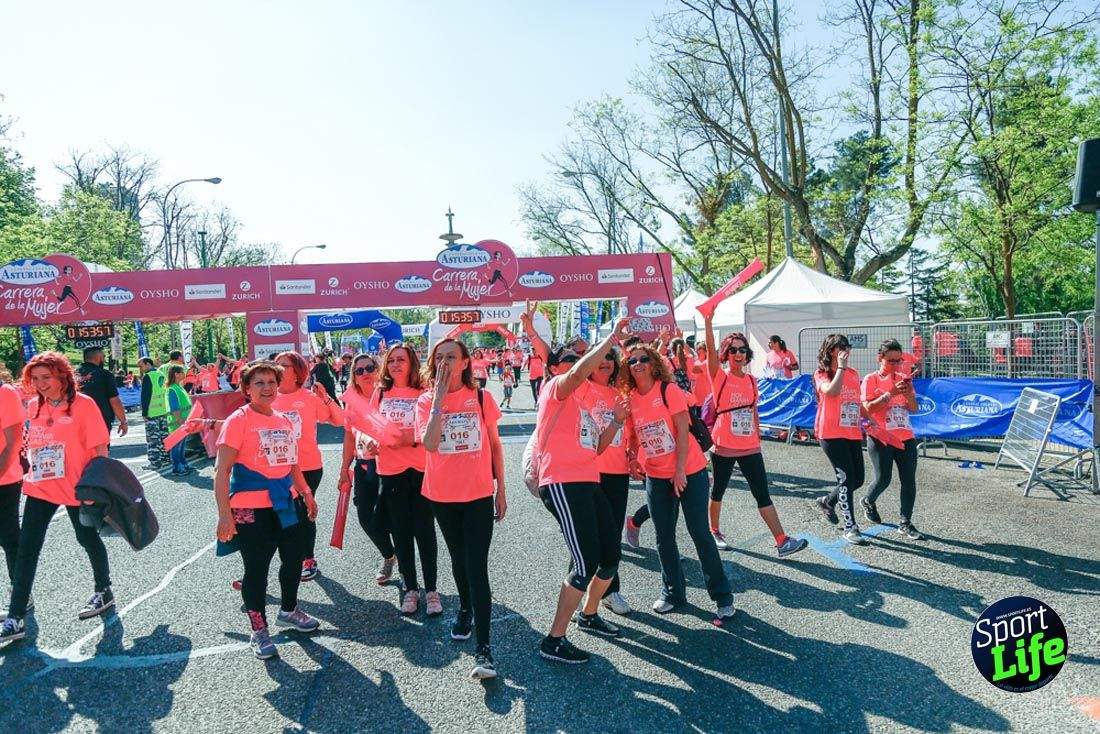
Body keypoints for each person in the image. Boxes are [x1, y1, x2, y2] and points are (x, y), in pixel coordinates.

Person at [529, 315, 633, 664]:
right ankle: (554, 640)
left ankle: (588, 614)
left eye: (581, 359)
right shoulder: (555, 387)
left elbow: (599, 448)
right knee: (585, 561)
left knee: (610, 556)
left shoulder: (587, 401)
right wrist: (610, 340)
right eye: (572, 359)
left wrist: (617, 420)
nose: (579, 365)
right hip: (560, 481)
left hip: (588, 480)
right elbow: (574, 374)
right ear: (557, 366)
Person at [0, 352, 115, 647]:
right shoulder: (34, 406)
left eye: (46, 378)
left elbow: (101, 450)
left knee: (87, 539)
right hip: (40, 488)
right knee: (27, 548)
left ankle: (104, 589)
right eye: (35, 379)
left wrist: (96, 490)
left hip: (78, 489)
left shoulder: (84, 405)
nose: (40, 384)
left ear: (62, 376)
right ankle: (15, 617)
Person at [214, 361, 321, 660]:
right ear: (246, 389)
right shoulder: (238, 420)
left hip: (286, 503)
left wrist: (307, 493)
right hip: (250, 509)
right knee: (257, 569)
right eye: (259, 383)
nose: (267, 388)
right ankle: (258, 629)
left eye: (271, 382)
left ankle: (289, 610)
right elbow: (221, 472)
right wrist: (225, 514)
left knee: (294, 560)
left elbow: (293, 463)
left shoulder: (283, 421)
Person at [621, 341, 734, 620]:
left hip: (690, 470)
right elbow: (634, 433)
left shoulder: (668, 390)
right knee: (664, 538)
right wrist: (633, 456)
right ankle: (672, 592)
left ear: (653, 362)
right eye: (632, 361)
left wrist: (680, 469)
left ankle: (722, 595)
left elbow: (682, 431)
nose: (638, 364)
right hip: (656, 475)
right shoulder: (630, 398)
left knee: (699, 533)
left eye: (643, 359)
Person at [417, 339, 507, 679]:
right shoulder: (426, 401)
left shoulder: (482, 398)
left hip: (479, 493)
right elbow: (428, 444)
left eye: (451, 357)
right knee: (457, 559)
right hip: (442, 494)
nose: (444, 363)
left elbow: (496, 446)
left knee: (476, 565)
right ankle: (466, 608)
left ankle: (483, 649)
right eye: (438, 358)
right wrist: (439, 398)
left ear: (466, 362)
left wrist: (502, 489)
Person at [701, 315, 808, 558]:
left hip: (749, 446)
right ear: (726, 353)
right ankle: (714, 530)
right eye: (733, 350)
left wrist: (757, 438)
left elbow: (753, 410)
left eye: (742, 350)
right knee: (718, 491)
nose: (738, 354)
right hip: (724, 445)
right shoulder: (720, 377)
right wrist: (708, 322)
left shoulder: (751, 380)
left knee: (762, 493)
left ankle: (782, 540)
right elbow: (709, 350)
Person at [355, 344, 437, 616]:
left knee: (424, 531)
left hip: (421, 467)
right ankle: (411, 588)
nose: (396, 365)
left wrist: (406, 439)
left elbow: (431, 430)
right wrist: (370, 441)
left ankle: (432, 589)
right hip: (390, 470)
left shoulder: (425, 391)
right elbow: (368, 428)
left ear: (413, 363)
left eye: (401, 360)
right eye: (391, 361)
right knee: (401, 532)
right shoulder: (380, 392)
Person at [273, 351, 344, 582]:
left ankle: (307, 558)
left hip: (308, 466)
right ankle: (264, 566)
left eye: (284, 365)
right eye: (276, 365)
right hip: (276, 469)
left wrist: (325, 397)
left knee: (302, 513)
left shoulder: (309, 398)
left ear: (297, 372)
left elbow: (338, 420)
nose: (278, 368)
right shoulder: (267, 397)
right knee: (278, 515)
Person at [584, 339, 635, 616]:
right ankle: (578, 586)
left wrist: (633, 454)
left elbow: (630, 431)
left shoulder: (619, 394)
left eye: (609, 358)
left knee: (613, 535)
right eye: (598, 358)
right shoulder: (582, 389)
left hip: (617, 472)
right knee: (587, 535)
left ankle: (610, 590)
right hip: (588, 472)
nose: (604, 362)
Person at [337, 354, 397, 584]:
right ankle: (390, 555)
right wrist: (344, 469)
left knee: (392, 517)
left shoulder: (388, 395)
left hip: (389, 465)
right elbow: (349, 437)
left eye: (369, 367)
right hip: (363, 466)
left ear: (378, 368)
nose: (365, 373)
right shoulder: (351, 401)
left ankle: (405, 572)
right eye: (359, 370)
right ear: (353, 376)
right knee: (365, 518)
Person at [860, 340, 924, 540]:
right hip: (881, 437)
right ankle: (868, 501)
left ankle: (905, 522)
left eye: (899, 361)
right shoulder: (871, 379)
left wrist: (909, 396)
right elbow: (868, 409)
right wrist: (890, 393)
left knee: (909, 481)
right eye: (891, 361)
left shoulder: (904, 378)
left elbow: (914, 408)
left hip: (905, 436)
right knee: (883, 479)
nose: (895, 365)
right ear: (880, 357)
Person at [812, 335, 868, 545]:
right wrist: (841, 369)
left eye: (848, 346)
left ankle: (827, 501)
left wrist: (871, 421)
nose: (847, 350)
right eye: (842, 347)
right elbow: (832, 391)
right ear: (831, 350)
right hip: (831, 432)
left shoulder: (853, 374)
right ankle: (850, 526)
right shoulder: (822, 373)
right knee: (845, 478)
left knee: (858, 479)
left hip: (852, 431)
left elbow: (856, 403)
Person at [0, 363, 24, 587]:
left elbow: (14, 441)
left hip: (5, 478)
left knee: (8, 537)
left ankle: (21, 593)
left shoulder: (5, 392)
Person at [77, 347, 128, 440]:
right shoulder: (105, 375)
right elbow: (114, 400)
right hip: (100, 420)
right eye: (104, 357)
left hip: (76, 420)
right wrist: (123, 421)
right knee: (100, 451)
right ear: (99, 357)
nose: (104, 360)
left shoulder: (72, 374)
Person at [139, 357, 170, 470]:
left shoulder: (148, 376)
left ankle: (155, 462)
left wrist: (144, 413)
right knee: (164, 437)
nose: (140, 369)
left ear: (148, 364)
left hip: (152, 412)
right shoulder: (161, 374)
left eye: (141, 366)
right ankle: (166, 459)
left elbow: (145, 396)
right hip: (163, 410)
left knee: (153, 439)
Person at [165, 365, 194, 476]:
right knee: (176, 446)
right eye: (182, 372)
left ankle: (183, 463)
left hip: (183, 421)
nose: (184, 374)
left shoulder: (179, 387)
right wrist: (180, 421)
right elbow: (174, 408)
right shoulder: (172, 389)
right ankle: (177, 467)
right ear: (176, 374)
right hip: (177, 422)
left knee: (182, 446)